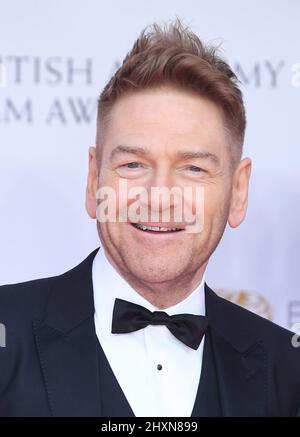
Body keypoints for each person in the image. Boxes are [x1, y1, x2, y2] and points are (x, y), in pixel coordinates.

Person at [0, 19, 299, 417]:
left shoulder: (287, 371)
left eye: (193, 168)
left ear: (238, 192)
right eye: (133, 164)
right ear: (93, 180)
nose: (159, 197)